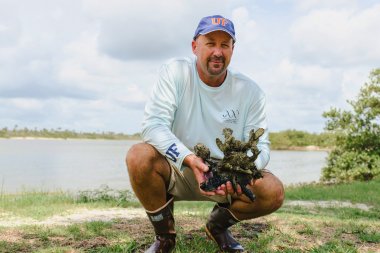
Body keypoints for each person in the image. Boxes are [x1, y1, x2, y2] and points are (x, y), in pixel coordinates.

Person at [126, 14, 284, 253]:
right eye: (210, 43)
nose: (218, 52)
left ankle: (217, 227)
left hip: (227, 175)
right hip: (179, 167)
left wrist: (238, 175)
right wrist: (189, 159)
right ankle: (165, 239)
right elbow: (153, 125)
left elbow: (261, 145)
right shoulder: (175, 73)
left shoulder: (251, 92)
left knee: (273, 191)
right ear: (194, 46)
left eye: (224, 44)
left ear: (233, 49)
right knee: (138, 156)